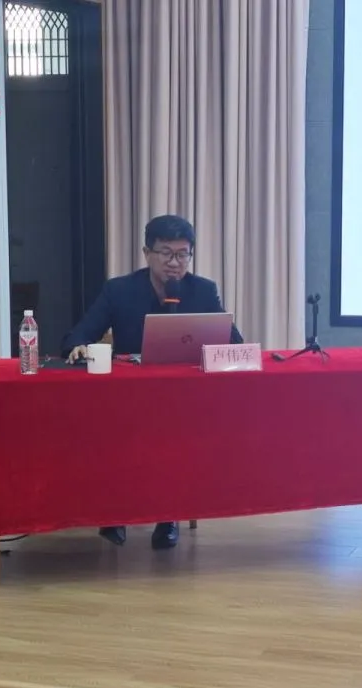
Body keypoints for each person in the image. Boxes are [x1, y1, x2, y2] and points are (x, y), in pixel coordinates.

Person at [61, 214, 244, 550]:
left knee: (176, 429)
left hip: (183, 399)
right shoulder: (120, 290)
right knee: (110, 425)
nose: (175, 263)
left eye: (183, 254)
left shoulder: (203, 290)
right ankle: (115, 511)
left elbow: (233, 341)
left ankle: (168, 515)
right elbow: (79, 334)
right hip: (130, 396)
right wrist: (79, 346)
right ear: (147, 253)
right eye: (166, 253)